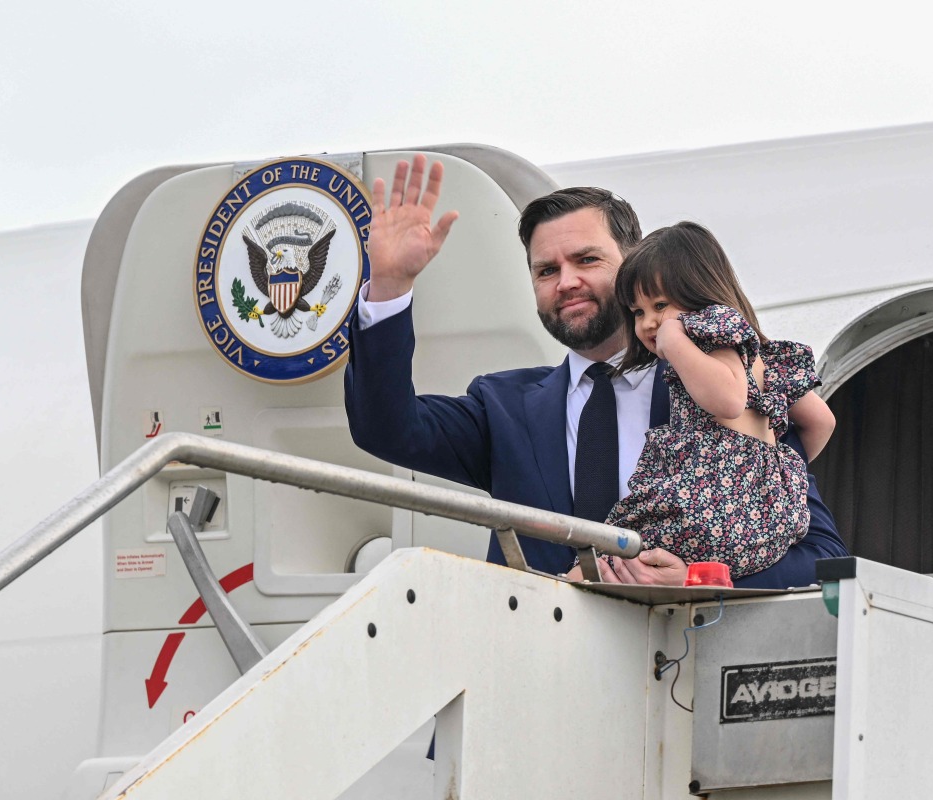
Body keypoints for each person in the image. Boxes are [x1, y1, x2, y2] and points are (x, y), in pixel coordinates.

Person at [344, 155, 848, 587]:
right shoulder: (501, 407)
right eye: (546, 270)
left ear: (634, 265)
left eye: (586, 259)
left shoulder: (719, 386)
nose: (566, 282)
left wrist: (699, 578)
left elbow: (820, 558)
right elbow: (386, 428)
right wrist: (388, 287)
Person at [579, 221, 835, 580]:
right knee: (626, 572)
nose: (650, 322)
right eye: (638, 312)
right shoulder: (766, 359)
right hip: (767, 517)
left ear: (699, 290)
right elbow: (821, 421)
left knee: (602, 557)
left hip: (707, 505)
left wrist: (675, 341)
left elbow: (729, 400)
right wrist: (775, 465)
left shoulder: (707, 329)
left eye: (660, 304)